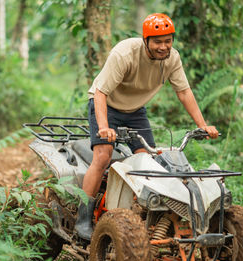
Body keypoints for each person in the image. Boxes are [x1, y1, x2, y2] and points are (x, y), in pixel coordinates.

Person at [74, 13, 219, 241]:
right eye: (158, 42)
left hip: (135, 111)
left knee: (149, 165)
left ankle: (137, 216)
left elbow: (183, 92)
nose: (163, 47)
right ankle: (82, 218)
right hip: (107, 105)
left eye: (168, 41)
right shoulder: (125, 54)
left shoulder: (173, 59)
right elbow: (101, 92)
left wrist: (202, 125)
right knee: (103, 155)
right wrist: (104, 127)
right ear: (146, 40)